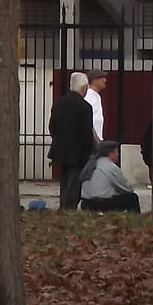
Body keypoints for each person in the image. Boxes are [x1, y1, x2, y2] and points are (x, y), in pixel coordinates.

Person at [49, 71, 97, 211]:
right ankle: (69, 209)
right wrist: (89, 150)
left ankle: (63, 206)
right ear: (84, 88)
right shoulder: (85, 107)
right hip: (78, 153)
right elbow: (86, 133)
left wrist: (58, 140)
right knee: (74, 185)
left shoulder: (58, 103)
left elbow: (52, 126)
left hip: (61, 150)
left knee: (64, 181)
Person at [80, 140, 141, 213]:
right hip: (101, 203)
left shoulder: (90, 164)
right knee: (132, 197)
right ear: (110, 153)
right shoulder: (110, 166)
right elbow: (126, 188)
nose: (118, 155)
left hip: (86, 202)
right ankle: (134, 219)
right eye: (116, 152)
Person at [86, 71, 109, 142]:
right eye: (102, 78)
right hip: (92, 139)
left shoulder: (97, 96)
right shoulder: (89, 95)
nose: (105, 80)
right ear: (94, 80)